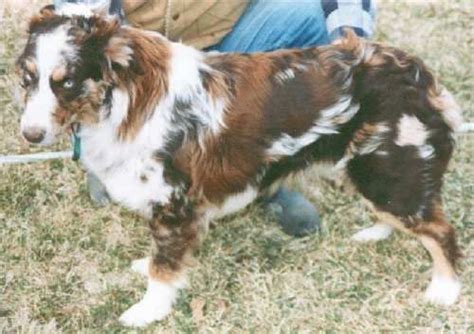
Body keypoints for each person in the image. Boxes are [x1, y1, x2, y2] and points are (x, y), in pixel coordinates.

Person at [54, 0, 376, 237]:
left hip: (230, 42)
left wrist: (353, 51)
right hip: (137, 56)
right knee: (93, 60)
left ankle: (266, 167)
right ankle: (111, 145)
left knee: (312, 16)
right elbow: (81, 27)